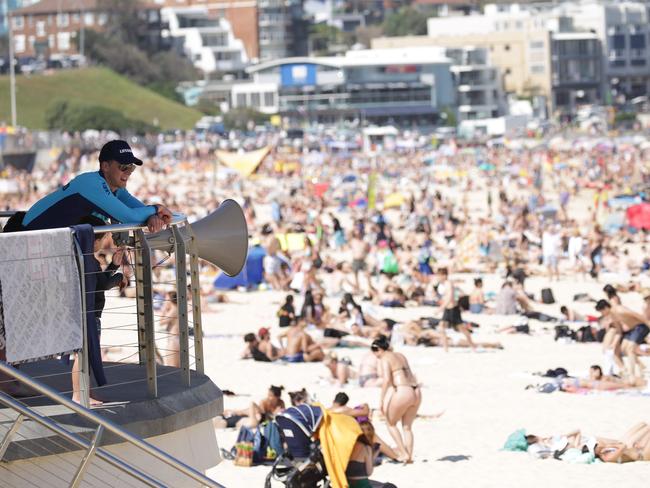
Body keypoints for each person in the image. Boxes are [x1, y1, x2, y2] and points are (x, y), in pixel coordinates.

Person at [10, 140, 172, 233]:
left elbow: (138, 209)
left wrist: (152, 214)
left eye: (131, 167)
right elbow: (129, 216)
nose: (128, 172)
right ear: (105, 166)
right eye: (123, 167)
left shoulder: (115, 188)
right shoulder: (91, 184)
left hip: (41, 235)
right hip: (25, 233)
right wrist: (156, 209)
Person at [71, 216, 129, 405]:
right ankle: (79, 395)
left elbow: (98, 282)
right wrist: (119, 275)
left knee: (86, 355)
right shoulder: (90, 260)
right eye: (100, 239)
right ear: (93, 239)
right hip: (90, 314)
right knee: (84, 355)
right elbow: (103, 284)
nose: (102, 242)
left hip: (85, 312)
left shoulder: (81, 258)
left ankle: (84, 392)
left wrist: (113, 265)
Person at [371, 336, 421, 463]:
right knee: (407, 427)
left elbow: (387, 380)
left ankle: (403, 453)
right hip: (416, 390)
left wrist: (381, 400)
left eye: (374, 350)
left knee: (390, 423)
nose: (374, 354)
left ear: (379, 349)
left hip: (403, 390)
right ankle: (409, 456)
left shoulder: (384, 358)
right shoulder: (400, 355)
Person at [596, 299, 648, 379]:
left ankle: (632, 373)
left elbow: (637, 315)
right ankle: (641, 367)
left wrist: (648, 323)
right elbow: (619, 331)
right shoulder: (612, 316)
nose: (602, 314)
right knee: (624, 349)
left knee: (630, 349)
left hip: (640, 327)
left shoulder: (619, 309)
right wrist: (613, 344)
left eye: (601, 311)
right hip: (632, 330)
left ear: (605, 308)